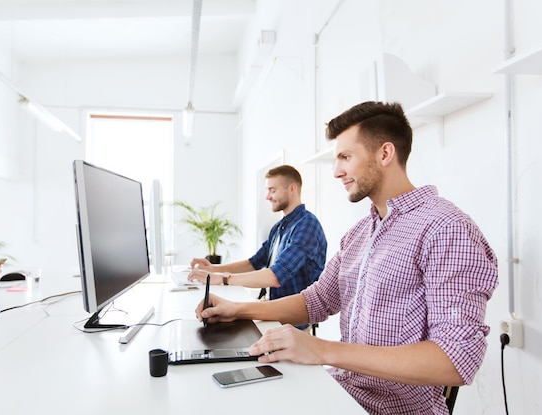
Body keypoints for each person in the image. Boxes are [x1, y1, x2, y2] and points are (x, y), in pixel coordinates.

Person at [195, 102, 499, 414]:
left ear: (384, 154)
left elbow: (457, 359)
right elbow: (317, 301)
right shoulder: (360, 233)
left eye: (345, 157)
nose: (337, 171)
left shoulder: (446, 228)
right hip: (341, 392)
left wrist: (322, 350)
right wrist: (238, 310)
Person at [187, 165, 327, 321]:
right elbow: (254, 263)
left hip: (292, 321)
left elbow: (276, 275)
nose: (268, 197)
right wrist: (213, 269)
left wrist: (223, 278)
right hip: (271, 309)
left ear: (292, 189)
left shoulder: (307, 225)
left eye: (273, 190)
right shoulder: (280, 227)